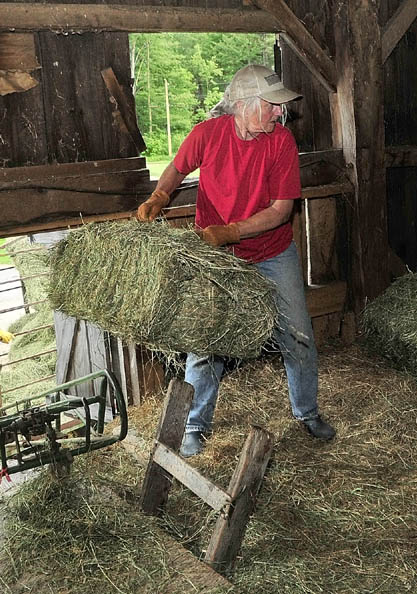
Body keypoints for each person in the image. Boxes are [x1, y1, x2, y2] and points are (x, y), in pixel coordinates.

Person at [136, 64, 336, 457]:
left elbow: (281, 211)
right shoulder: (207, 134)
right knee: (205, 336)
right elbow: (176, 170)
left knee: (297, 334)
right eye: (272, 106)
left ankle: (307, 412)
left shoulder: (280, 143)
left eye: (280, 108)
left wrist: (230, 232)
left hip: (271, 252)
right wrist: (159, 197)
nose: (280, 114)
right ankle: (196, 423)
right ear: (244, 106)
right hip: (218, 257)